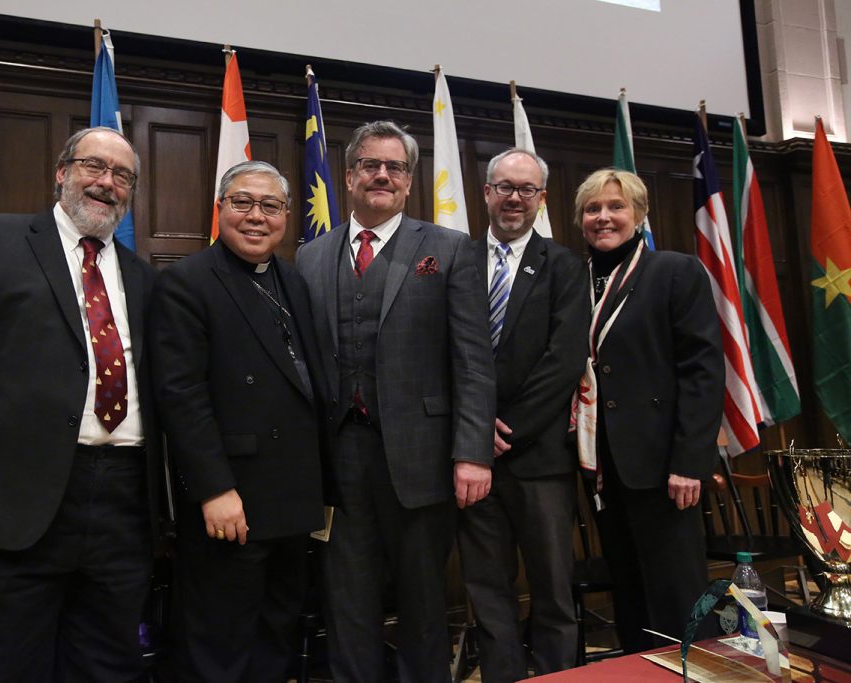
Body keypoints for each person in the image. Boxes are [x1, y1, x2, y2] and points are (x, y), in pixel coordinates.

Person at [0, 127, 165, 682]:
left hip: (123, 500)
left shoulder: (144, 277)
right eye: (94, 166)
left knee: (106, 664)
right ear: (61, 172)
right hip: (4, 493)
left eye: (122, 175)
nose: (106, 182)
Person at [296, 120, 496, 683]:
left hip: (424, 458)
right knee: (347, 601)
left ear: (409, 182)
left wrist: (473, 452)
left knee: (424, 603)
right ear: (349, 174)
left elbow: (474, 361)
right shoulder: (312, 256)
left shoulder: (449, 249)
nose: (382, 175)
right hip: (339, 460)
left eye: (395, 167)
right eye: (370, 165)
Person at [150, 160, 330, 682]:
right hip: (231, 500)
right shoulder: (186, 282)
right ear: (220, 209)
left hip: (292, 498)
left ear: (287, 216)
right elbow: (181, 397)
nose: (257, 216)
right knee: (220, 643)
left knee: (276, 631)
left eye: (270, 206)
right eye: (243, 203)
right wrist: (214, 489)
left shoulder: (291, 280)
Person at [572, 168, 724, 651]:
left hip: (662, 464)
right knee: (630, 591)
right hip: (599, 462)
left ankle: (692, 671)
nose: (604, 217)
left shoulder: (674, 271)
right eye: (592, 209)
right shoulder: (572, 280)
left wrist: (688, 462)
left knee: (676, 591)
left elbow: (702, 372)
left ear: (639, 216)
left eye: (616, 207)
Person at [457, 149, 589, 681]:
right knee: (487, 591)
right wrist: (475, 428)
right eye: (505, 187)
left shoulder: (564, 265)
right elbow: (444, 351)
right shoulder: (454, 259)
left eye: (527, 190)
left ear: (541, 199)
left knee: (553, 591)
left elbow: (564, 359)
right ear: (486, 192)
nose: (515, 198)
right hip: (472, 459)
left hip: (539, 460)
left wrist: (505, 431)